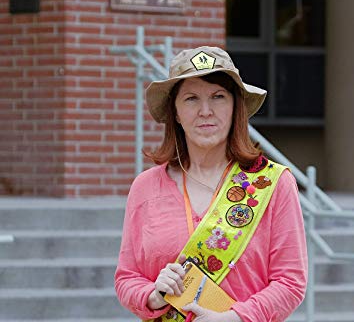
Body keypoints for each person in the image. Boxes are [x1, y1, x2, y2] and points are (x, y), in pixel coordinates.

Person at [115, 46, 308, 322]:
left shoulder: (273, 184)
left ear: (235, 107)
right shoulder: (145, 187)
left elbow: (290, 282)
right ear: (176, 113)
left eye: (218, 97)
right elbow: (127, 277)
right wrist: (153, 295)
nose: (206, 111)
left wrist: (235, 318)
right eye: (191, 99)